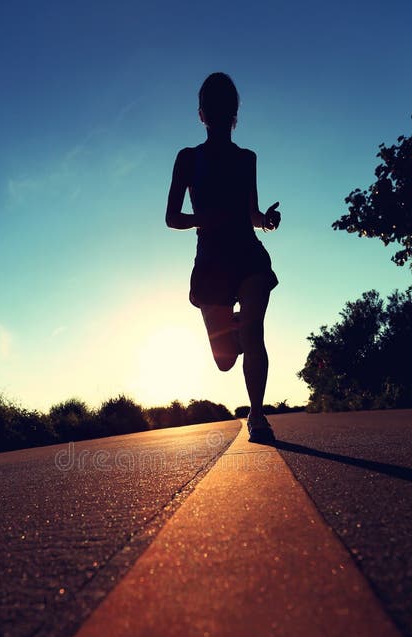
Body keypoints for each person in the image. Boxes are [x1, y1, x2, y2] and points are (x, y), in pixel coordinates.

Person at [165, 72, 281, 443]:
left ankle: (258, 417)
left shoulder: (247, 159)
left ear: (232, 114)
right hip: (211, 261)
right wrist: (205, 218)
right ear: (202, 115)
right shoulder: (187, 159)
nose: (216, 114)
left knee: (254, 331)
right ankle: (237, 325)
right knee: (224, 360)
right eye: (211, 108)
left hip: (247, 254)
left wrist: (266, 222)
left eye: (223, 107)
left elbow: (252, 212)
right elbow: (172, 217)